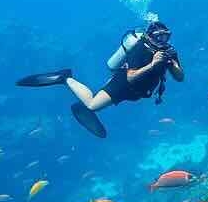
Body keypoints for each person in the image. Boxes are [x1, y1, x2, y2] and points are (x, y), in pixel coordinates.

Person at [15, 20, 184, 138]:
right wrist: (153, 64)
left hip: (137, 92)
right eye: (159, 36)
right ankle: (65, 78)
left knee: (97, 103)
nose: (163, 40)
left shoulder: (169, 52)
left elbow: (180, 78)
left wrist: (172, 63)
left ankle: (78, 100)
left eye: (166, 36)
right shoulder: (140, 49)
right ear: (151, 36)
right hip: (123, 85)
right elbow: (131, 77)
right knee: (93, 105)